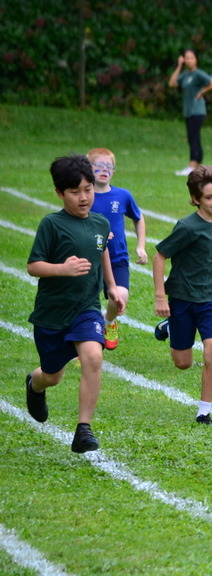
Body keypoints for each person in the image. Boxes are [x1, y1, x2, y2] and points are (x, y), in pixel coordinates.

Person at [25, 154, 123, 452]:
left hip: (86, 308)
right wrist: (61, 269)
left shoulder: (100, 222)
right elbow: (33, 266)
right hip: (52, 314)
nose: (84, 197)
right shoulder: (51, 224)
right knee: (52, 375)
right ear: (59, 193)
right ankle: (34, 383)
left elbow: (102, 249)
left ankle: (84, 430)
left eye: (88, 189)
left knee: (93, 356)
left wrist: (112, 286)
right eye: (75, 192)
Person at [152, 165, 212, 425]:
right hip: (181, 297)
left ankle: (204, 411)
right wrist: (160, 296)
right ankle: (170, 325)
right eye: (210, 197)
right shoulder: (187, 227)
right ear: (196, 199)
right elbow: (160, 256)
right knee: (182, 363)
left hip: (210, 298)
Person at [87, 147, 147, 351]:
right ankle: (85, 341)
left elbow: (138, 219)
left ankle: (109, 321)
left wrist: (140, 246)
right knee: (87, 303)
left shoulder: (123, 195)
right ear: (89, 168)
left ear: (114, 170)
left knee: (120, 295)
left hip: (117, 257)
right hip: (91, 258)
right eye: (99, 166)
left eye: (108, 166)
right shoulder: (85, 196)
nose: (104, 170)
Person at [168, 49, 212, 176]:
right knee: (191, 138)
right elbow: (172, 83)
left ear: (196, 59)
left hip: (197, 110)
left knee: (194, 137)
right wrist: (179, 66)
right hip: (188, 111)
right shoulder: (185, 75)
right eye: (187, 58)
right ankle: (197, 166)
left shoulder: (198, 74)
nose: (189, 60)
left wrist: (202, 91)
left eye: (191, 57)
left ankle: (193, 165)